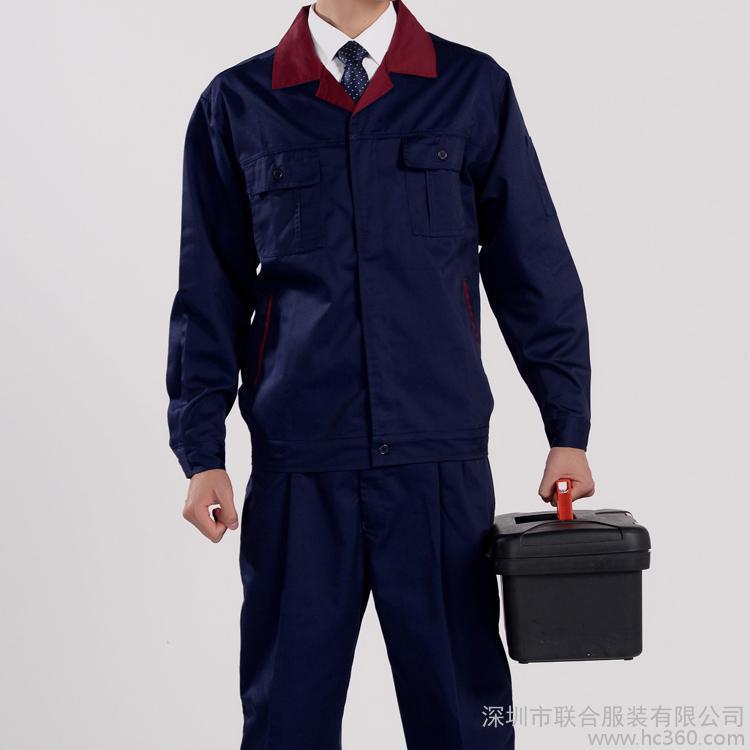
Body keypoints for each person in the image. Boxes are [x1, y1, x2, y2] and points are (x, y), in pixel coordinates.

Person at [166, 1, 595, 747]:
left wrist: (568, 428)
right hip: (301, 470)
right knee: (285, 721)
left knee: (466, 721)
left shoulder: (471, 87)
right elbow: (208, 292)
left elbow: (533, 268)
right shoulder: (238, 103)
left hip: (439, 469)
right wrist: (202, 452)